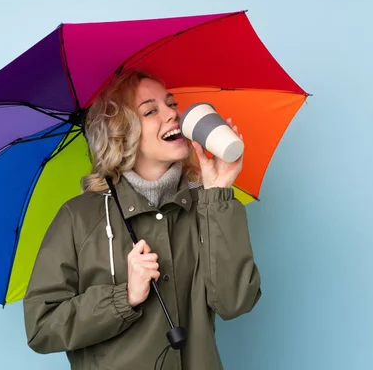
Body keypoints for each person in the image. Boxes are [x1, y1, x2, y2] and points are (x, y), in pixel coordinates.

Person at [23, 69, 262, 369]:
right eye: (151, 110)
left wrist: (218, 192)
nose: (173, 114)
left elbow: (235, 302)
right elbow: (41, 326)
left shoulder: (207, 204)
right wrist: (125, 297)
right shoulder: (78, 218)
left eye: (171, 104)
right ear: (121, 133)